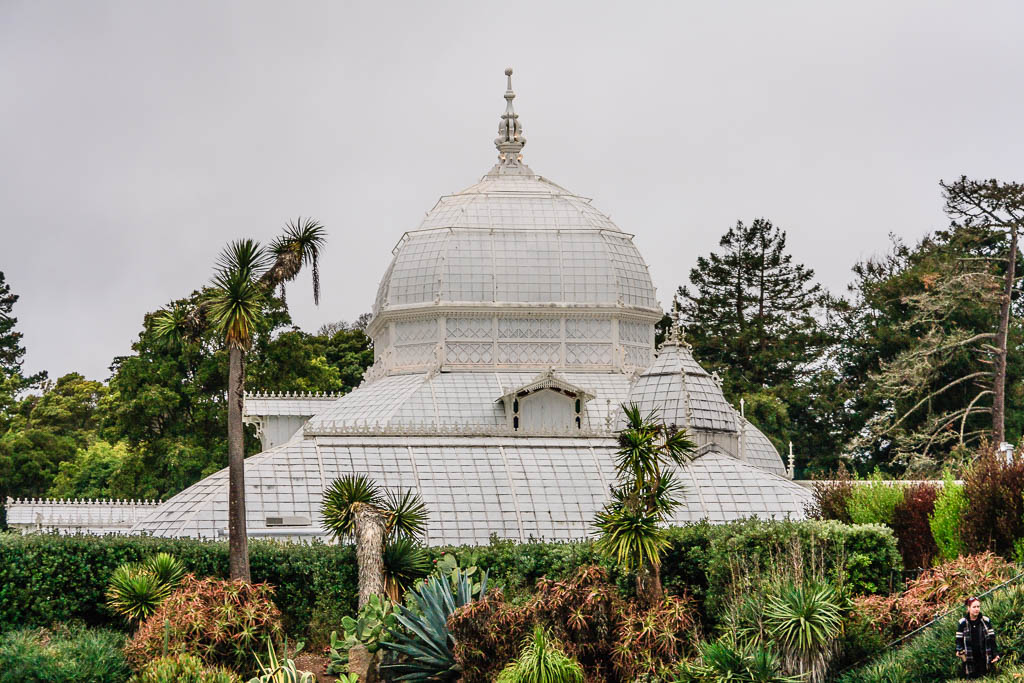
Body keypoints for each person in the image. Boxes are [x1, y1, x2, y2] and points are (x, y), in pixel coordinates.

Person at [956, 597, 999, 678]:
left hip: (984, 657)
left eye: (978, 607)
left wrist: (995, 653)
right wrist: (960, 651)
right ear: (968, 608)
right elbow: (959, 640)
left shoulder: (986, 621)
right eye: (974, 607)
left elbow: (992, 639)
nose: (976, 609)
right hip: (969, 659)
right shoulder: (962, 623)